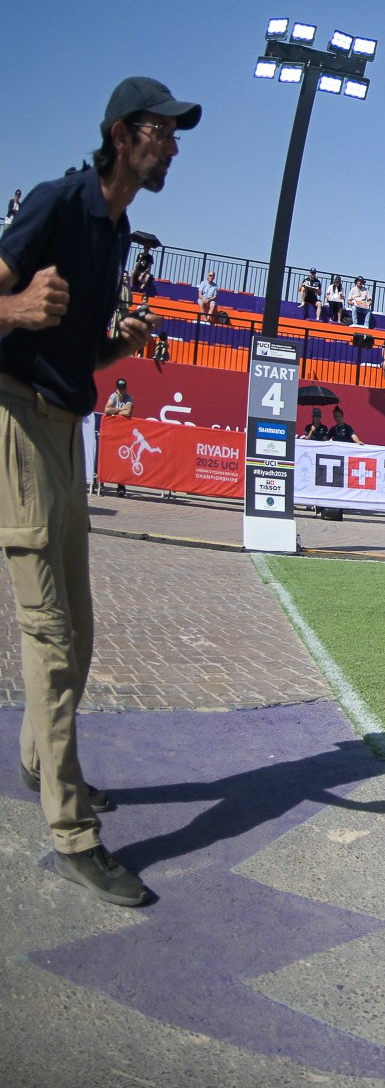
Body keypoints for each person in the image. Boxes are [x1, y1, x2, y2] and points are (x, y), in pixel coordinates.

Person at [0, 74, 198, 908]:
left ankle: (40, 760)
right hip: (14, 418)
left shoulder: (117, 233)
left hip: (63, 424)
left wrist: (116, 343)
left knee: (78, 630)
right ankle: (75, 830)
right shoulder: (56, 202)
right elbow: (17, 313)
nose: (175, 144)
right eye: (164, 130)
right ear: (123, 134)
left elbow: (74, 353)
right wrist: (13, 305)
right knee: (48, 633)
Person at [103, 378, 135, 497]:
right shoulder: (113, 396)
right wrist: (121, 409)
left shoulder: (129, 398)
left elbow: (128, 413)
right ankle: (101, 481)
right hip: (111, 431)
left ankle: (121, 485)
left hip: (123, 433)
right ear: (116, 389)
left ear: (126, 388)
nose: (121, 391)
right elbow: (107, 410)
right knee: (107, 457)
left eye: (123, 389)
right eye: (119, 389)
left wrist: (115, 411)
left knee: (121, 460)